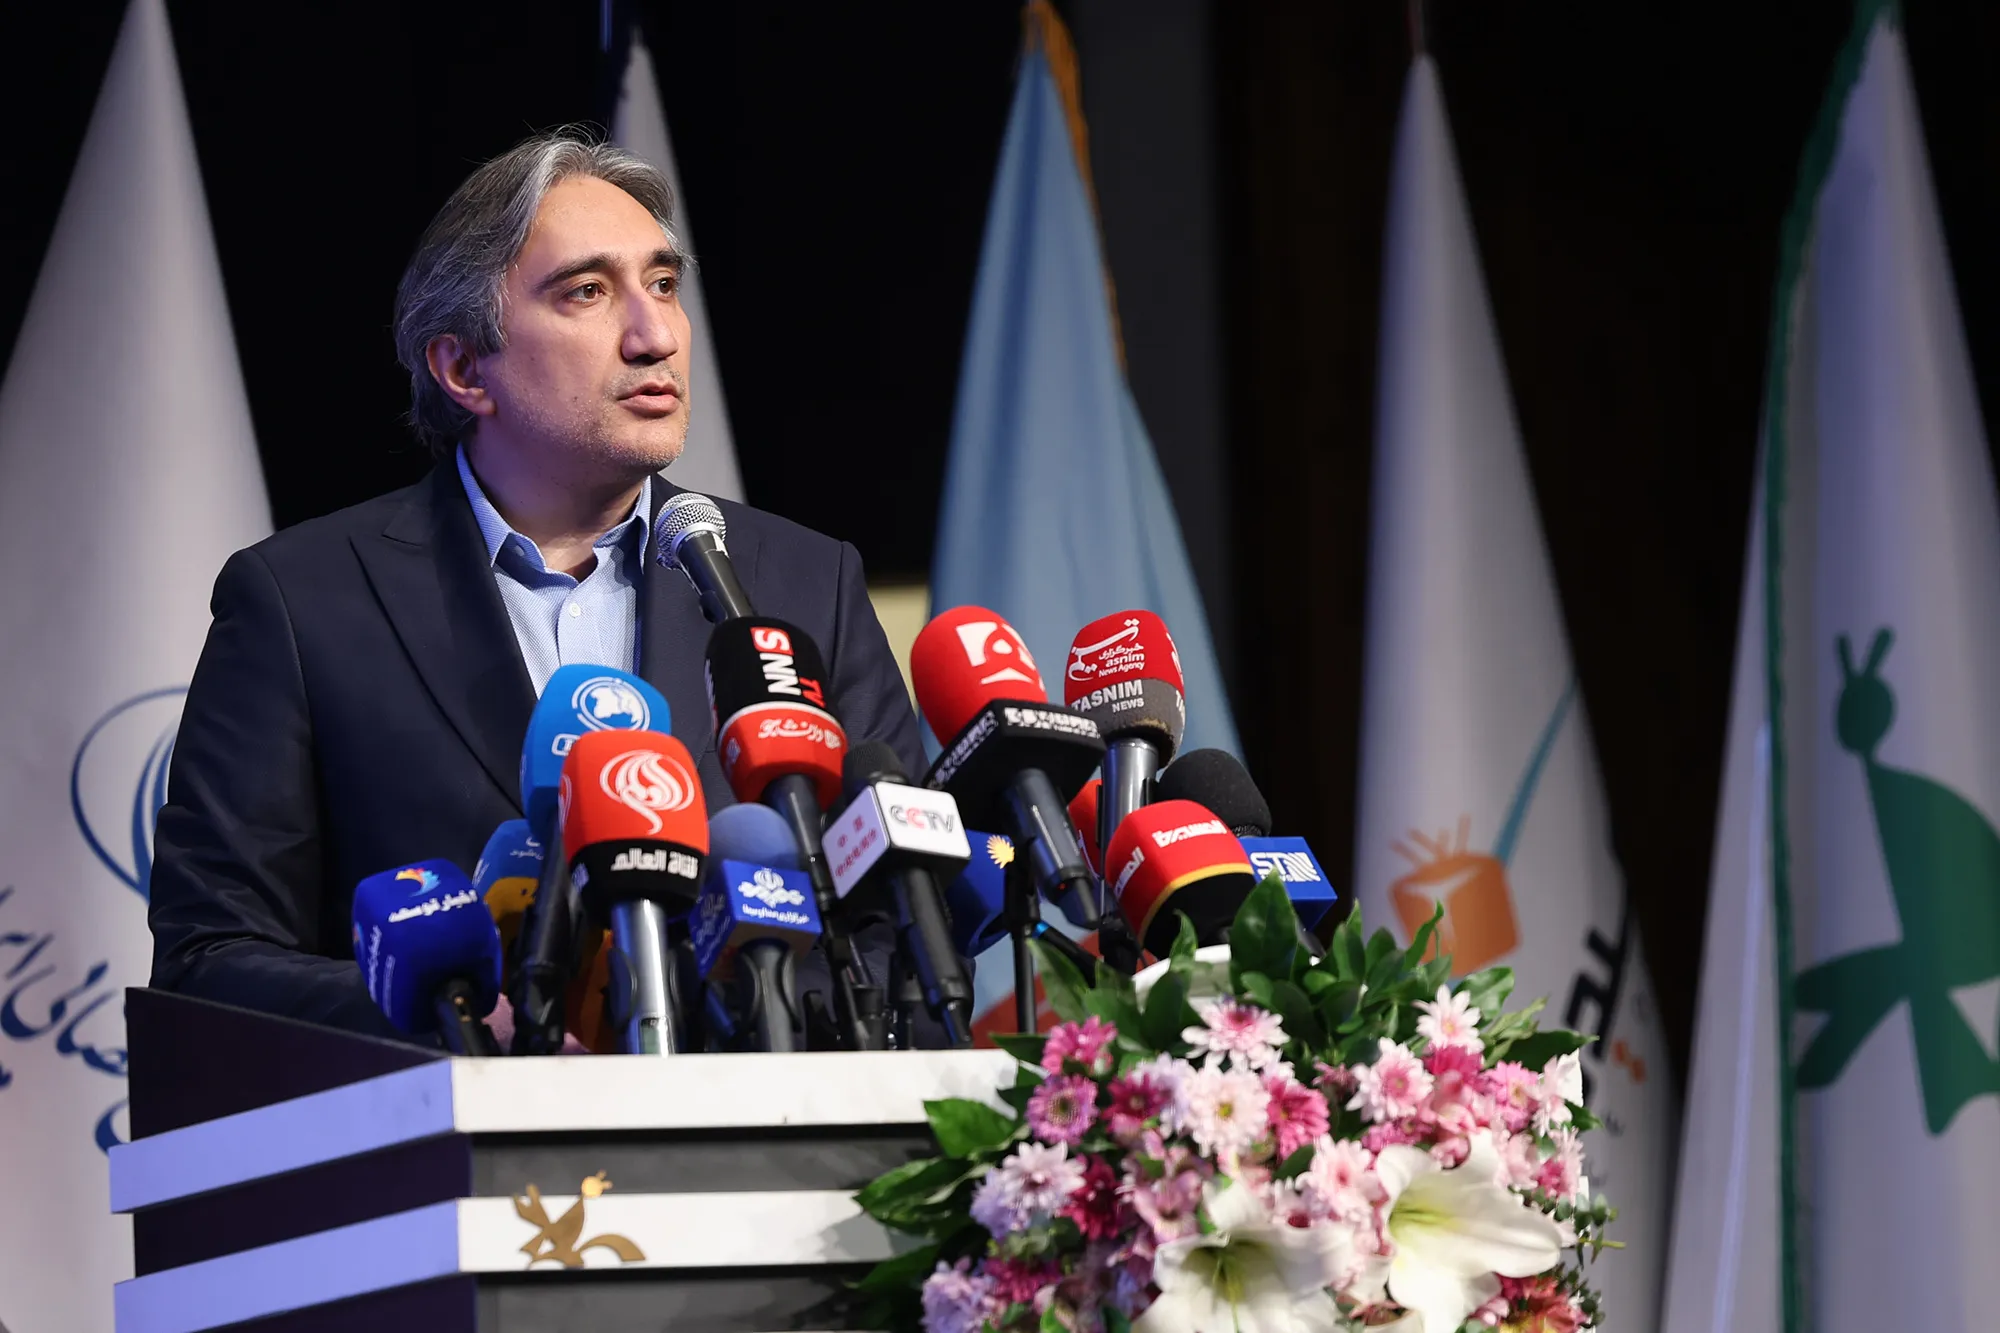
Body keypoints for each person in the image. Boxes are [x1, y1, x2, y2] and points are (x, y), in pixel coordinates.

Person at [148, 131, 923, 1039]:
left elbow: (901, 920)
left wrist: (748, 1020)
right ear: (462, 368)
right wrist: (456, 1016)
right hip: (448, 1121)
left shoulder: (805, 582)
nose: (656, 336)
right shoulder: (302, 603)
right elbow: (211, 958)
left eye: (663, 283)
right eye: (588, 291)